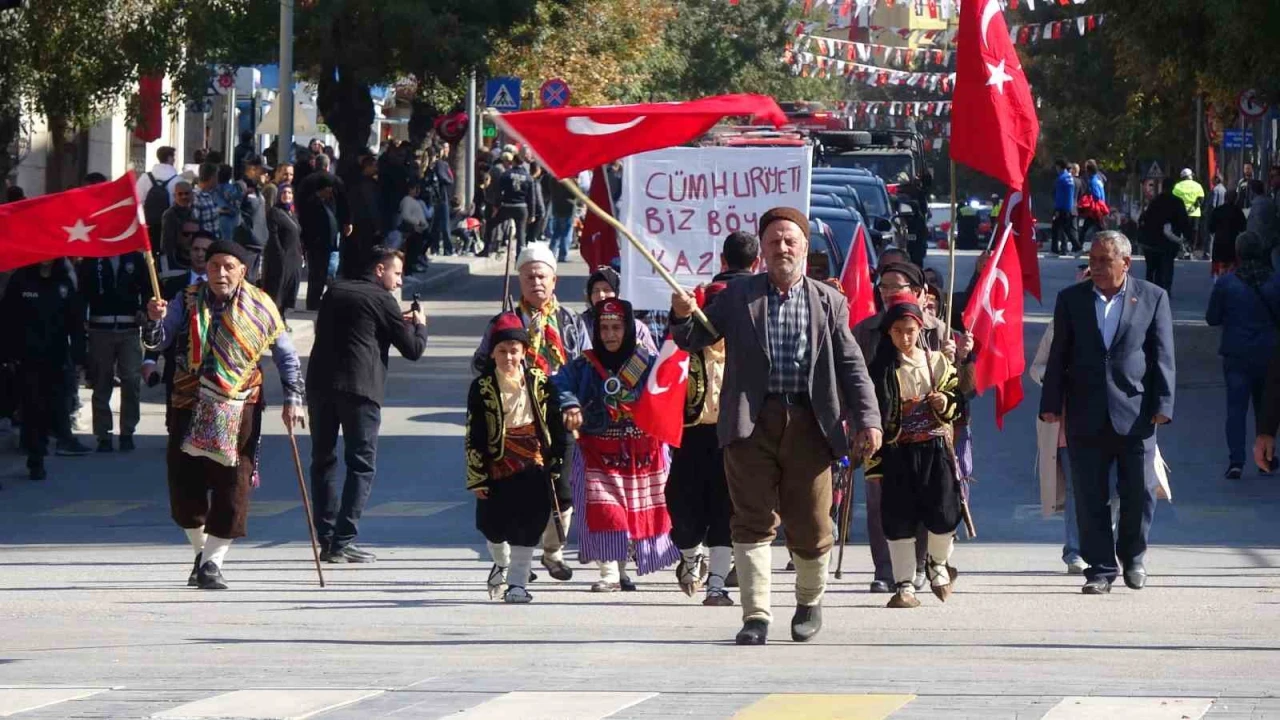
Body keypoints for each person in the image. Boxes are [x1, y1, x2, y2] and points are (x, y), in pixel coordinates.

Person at [669, 207, 882, 645]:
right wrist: (683, 314)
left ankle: (808, 601)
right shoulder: (736, 297)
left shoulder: (830, 301)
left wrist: (868, 419)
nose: (781, 248)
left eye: (790, 240)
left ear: (804, 247)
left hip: (811, 424)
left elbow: (851, 365)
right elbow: (694, 339)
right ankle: (756, 615)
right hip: (751, 423)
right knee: (750, 520)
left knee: (811, 524)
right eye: (773, 241)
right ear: (761, 251)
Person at [143, 240, 306, 590]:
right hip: (188, 402)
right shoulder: (186, 300)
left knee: (233, 486)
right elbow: (160, 342)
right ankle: (202, 554)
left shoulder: (262, 306)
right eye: (214, 265)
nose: (220, 272)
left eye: (228, 266)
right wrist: (154, 322)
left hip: (240, 406)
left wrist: (294, 398)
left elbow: (286, 356)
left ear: (242, 270)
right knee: (184, 488)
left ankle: (213, 563)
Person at [1040, 231, 1175, 595]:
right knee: (1089, 496)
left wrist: (1163, 405)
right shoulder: (1071, 299)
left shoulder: (1152, 297)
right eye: (1092, 260)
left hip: (1136, 413)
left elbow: (1162, 356)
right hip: (1085, 412)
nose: (1095, 267)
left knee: (1140, 492)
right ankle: (1100, 569)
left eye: (1104, 260)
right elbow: (1059, 356)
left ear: (1125, 263)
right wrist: (1051, 405)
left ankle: (1133, 557)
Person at [853, 261, 973, 593]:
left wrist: (949, 389)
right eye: (897, 331)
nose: (905, 338)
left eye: (911, 331)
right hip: (890, 446)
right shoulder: (874, 354)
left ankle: (933, 563)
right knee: (892, 512)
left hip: (934, 446)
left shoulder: (939, 350)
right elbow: (862, 395)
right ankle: (897, 578)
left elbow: (960, 396)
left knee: (942, 509)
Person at [471, 245, 589, 580]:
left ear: (554, 280)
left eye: (542, 276)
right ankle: (512, 555)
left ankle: (552, 552)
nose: (536, 282)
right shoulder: (506, 321)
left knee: (562, 490)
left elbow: (585, 365)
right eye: (529, 276)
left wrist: (576, 401)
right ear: (520, 281)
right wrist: (502, 355)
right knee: (511, 491)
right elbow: (479, 362)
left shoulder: (570, 321)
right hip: (515, 416)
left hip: (559, 413)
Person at [306, 248, 427, 563]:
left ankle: (327, 537)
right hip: (360, 390)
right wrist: (420, 325)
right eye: (396, 273)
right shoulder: (383, 299)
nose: (399, 282)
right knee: (360, 465)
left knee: (323, 461)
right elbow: (413, 349)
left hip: (320, 386)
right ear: (379, 270)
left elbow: (355, 324)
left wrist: (393, 319)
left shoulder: (336, 290)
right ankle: (343, 540)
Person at [665, 231, 760, 606]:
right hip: (692, 438)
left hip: (734, 438)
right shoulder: (686, 350)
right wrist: (680, 314)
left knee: (727, 511)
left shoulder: (749, 350)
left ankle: (717, 584)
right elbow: (660, 380)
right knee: (683, 508)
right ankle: (690, 557)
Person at [554, 298, 676, 590]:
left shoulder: (646, 361)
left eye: (616, 328)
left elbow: (666, 388)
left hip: (643, 452)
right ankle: (609, 573)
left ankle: (625, 569)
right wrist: (570, 405)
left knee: (635, 514)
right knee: (606, 511)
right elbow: (560, 382)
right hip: (598, 452)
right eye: (604, 328)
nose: (609, 335)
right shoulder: (584, 364)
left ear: (629, 329)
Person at [467, 312, 566, 603]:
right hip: (496, 463)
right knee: (492, 526)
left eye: (514, 351)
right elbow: (474, 433)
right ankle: (501, 561)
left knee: (530, 524)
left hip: (533, 462)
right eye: (502, 351)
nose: (508, 357)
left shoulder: (539, 381)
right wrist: (477, 476)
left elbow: (556, 424)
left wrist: (557, 458)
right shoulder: (482, 387)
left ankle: (518, 585)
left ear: (523, 352)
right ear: (493, 353)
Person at [0, 260, 91, 479]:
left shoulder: (64, 281)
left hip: (57, 357)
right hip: (26, 358)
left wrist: (80, 357)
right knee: (32, 405)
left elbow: (75, 322)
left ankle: (44, 442)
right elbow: (6, 319)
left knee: (52, 406)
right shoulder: (21, 280)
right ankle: (35, 457)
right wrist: (7, 354)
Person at [1030, 264, 1092, 574]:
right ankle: (1076, 551)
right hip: (1071, 421)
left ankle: (1103, 546)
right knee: (1077, 488)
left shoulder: (1126, 319)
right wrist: (1060, 383)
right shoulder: (1060, 323)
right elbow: (1039, 368)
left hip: (1116, 421)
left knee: (1116, 490)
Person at [1206, 231, 1280, 479]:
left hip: (1237, 353)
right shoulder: (1275, 281)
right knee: (1266, 408)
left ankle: (1236, 461)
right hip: (1269, 354)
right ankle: (1265, 459)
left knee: (1235, 409)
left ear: (1238, 253)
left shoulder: (1227, 283)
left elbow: (1212, 317)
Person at [78, 250, 151, 453]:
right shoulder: (92, 258)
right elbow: (82, 292)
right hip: (99, 328)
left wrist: (144, 310)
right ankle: (103, 435)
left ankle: (127, 432)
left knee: (131, 379)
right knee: (102, 381)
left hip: (129, 330)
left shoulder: (135, 258)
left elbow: (148, 288)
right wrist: (81, 320)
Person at [143, 231, 214, 423]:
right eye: (196, 249)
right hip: (177, 368)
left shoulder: (221, 288)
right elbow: (160, 325)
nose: (200, 254)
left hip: (212, 371)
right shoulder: (174, 285)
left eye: (205, 250)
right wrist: (149, 360)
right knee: (176, 424)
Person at [580, 266, 656, 354]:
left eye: (606, 290)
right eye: (595, 291)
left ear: (617, 293)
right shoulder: (580, 324)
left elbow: (655, 362)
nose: (601, 295)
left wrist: (640, 350)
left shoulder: (636, 327)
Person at [301, 173, 345, 311]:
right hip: (317, 246)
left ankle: (316, 300)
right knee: (316, 275)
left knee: (322, 274)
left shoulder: (326, 202)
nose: (331, 192)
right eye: (328, 189)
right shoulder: (312, 203)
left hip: (326, 246)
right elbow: (310, 226)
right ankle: (313, 302)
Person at [1138, 182, 1191, 295]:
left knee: (1152, 267)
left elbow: (1144, 218)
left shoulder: (1155, 201)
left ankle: (1150, 289)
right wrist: (1187, 237)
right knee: (1167, 265)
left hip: (1151, 242)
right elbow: (1184, 221)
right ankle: (1165, 289)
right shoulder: (1177, 202)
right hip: (1168, 242)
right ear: (1172, 188)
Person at [263, 184, 303, 320]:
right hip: (281, 258)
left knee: (289, 289)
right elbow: (273, 237)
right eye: (284, 192)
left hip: (294, 258)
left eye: (290, 193)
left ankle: (283, 318)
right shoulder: (274, 212)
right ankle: (274, 320)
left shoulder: (292, 213)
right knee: (278, 289)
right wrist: (280, 256)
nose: (287, 195)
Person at [490, 157, 535, 257]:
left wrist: (496, 206)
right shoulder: (528, 177)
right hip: (521, 207)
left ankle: (488, 247)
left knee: (492, 224)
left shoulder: (506, 174)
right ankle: (519, 258)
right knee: (521, 234)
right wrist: (532, 214)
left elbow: (499, 192)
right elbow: (531, 197)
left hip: (507, 206)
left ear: (513, 162)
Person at [139, 146, 181, 253]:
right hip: (169, 225)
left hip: (148, 223)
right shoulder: (177, 180)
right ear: (170, 158)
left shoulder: (145, 177)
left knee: (149, 253)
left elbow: (138, 200)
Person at [159, 181, 199, 278]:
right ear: (174, 195)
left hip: (190, 259)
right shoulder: (170, 215)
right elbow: (166, 243)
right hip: (176, 262)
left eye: (186, 193)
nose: (183, 197)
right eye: (180, 194)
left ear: (192, 194)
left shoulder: (194, 211)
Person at [1209, 189, 1247, 276]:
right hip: (1232, 243)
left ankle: (1220, 283)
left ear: (1225, 198)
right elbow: (1243, 227)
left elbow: (1211, 228)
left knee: (1220, 268)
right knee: (1232, 268)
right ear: (1235, 199)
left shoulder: (1217, 211)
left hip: (1219, 243)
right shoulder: (1238, 212)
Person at [427, 144, 455, 258]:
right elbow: (447, 179)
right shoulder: (441, 164)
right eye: (445, 148)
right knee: (444, 224)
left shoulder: (432, 165)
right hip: (441, 197)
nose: (447, 150)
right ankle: (448, 249)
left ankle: (435, 248)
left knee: (436, 225)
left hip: (434, 198)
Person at [1172, 168, 1206, 259]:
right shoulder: (1198, 185)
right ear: (1191, 176)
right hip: (1195, 213)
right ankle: (1191, 250)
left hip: (1182, 213)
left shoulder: (1178, 186)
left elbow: (1173, 200)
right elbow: (1201, 199)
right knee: (1194, 232)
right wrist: (1193, 207)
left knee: (1181, 232)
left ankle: (1183, 250)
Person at [546, 178, 578, 264]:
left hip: (556, 206)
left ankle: (551, 254)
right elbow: (576, 194)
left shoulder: (553, 179)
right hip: (568, 207)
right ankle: (563, 255)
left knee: (557, 232)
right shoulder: (570, 180)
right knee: (566, 233)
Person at [1052, 158, 1081, 255]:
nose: (1056, 169)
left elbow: (1059, 196)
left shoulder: (1061, 179)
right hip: (1069, 207)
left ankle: (1076, 247)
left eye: (1056, 166)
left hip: (1062, 208)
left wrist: (1057, 209)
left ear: (1059, 166)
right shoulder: (1070, 178)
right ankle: (1056, 248)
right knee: (1064, 228)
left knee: (1062, 229)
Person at [399, 183, 431, 270]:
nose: (417, 191)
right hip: (413, 230)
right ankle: (409, 269)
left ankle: (415, 264)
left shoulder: (414, 201)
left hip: (420, 230)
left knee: (417, 248)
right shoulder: (406, 200)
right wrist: (417, 222)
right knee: (411, 250)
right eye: (414, 188)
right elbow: (405, 215)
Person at [214, 164, 243, 247]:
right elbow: (238, 205)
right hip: (233, 221)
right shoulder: (235, 189)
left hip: (219, 220)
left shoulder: (213, 189)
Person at [192, 163, 221, 238]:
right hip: (204, 244)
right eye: (217, 177)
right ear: (212, 178)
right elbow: (194, 225)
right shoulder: (196, 198)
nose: (218, 180)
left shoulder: (210, 195)